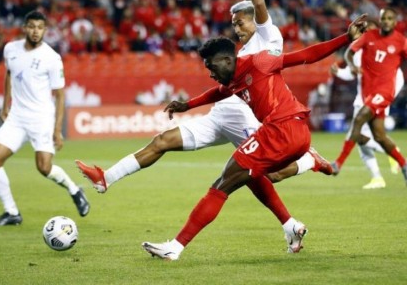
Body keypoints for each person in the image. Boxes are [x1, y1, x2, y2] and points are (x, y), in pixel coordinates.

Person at [141, 18, 365, 261]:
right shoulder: (233, 80)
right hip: (296, 132)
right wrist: (188, 104)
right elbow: (218, 92)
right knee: (255, 177)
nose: (210, 73)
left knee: (222, 184)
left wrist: (346, 38)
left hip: (281, 130)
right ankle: (302, 185)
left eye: (212, 66)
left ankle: (175, 247)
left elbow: (306, 55)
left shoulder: (260, 61)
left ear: (228, 60)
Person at [268, 18, 403, 188]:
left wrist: (386, 97)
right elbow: (352, 74)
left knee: (356, 136)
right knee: (361, 140)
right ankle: (378, 175)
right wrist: (339, 72)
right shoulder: (362, 52)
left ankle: (389, 154)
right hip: (361, 101)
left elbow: (398, 77)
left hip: (377, 101)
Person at [0, 10, 89, 226]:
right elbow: (8, 75)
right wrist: (5, 105)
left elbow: (59, 95)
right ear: (24, 27)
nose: (35, 31)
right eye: (31, 26)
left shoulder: (51, 58)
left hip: (41, 118)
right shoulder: (10, 49)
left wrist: (57, 129)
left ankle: (74, 189)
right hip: (16, 117)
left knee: (44, 168)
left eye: (39, 27)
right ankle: (12, 212)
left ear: (45, 30)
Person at [331, 7, 407, 187]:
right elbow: (349, 52)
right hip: (368, 93)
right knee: (379, 136)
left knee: (358, 121)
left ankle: (338, 163)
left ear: (395, 22)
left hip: (384, 93)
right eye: (384, 18)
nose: (386, 22)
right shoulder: (369, 37)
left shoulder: (401, 42)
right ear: (380, 20)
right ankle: (404, 163)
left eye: (390, 19)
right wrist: (351, 65)